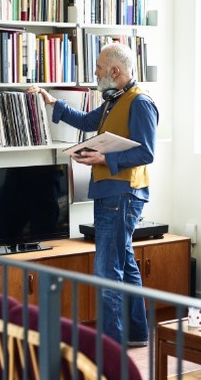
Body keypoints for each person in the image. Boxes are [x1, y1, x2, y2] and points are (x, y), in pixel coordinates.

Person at [28, 43, 158, 346]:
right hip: (110, 193)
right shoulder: (115, 99)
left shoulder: (140, 103)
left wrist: (103, 159)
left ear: (114, 71)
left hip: (122, 194)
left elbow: (147, 152)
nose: (95, 72)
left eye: (99, 67)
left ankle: (110, 344)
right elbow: (87, 122)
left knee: (106, 270)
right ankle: (138, 334)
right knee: (123, 264)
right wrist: (51, 102)